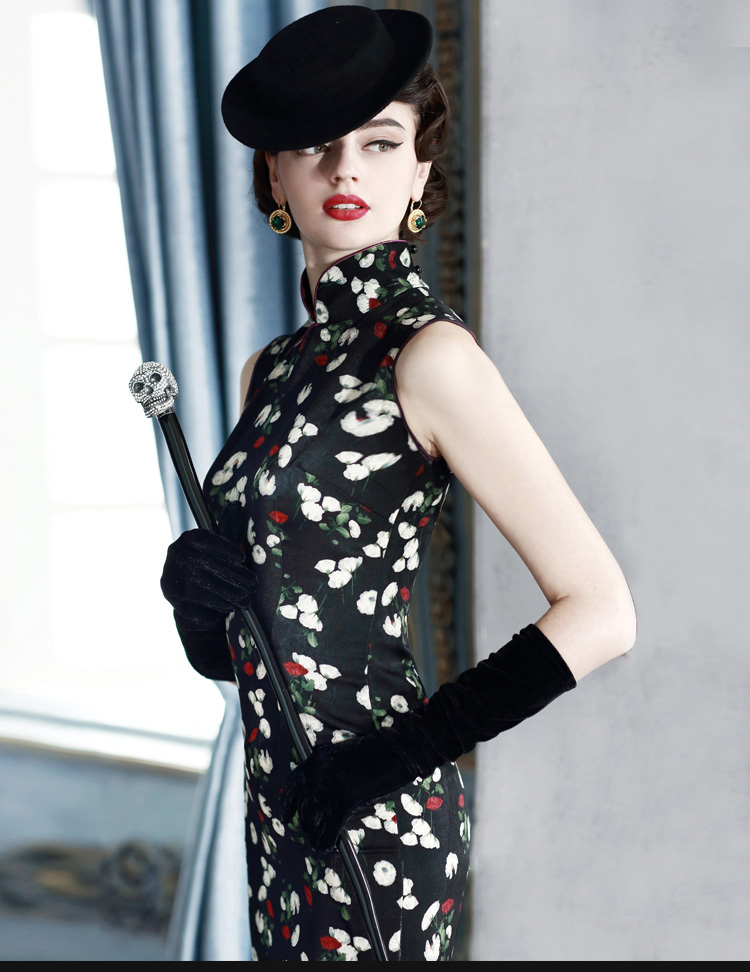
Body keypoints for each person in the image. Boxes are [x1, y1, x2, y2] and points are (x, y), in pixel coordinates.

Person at [160, 5, 636, 963]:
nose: (346, 171)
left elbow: (603, 612)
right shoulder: (270, 369)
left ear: (420, 170)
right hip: (279, 805)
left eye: (380, 142)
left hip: (378, 813)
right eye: (317, 146)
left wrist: (392, 759)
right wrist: (198, 611)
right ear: (275, 175)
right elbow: (250, 652)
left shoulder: (429, 357)